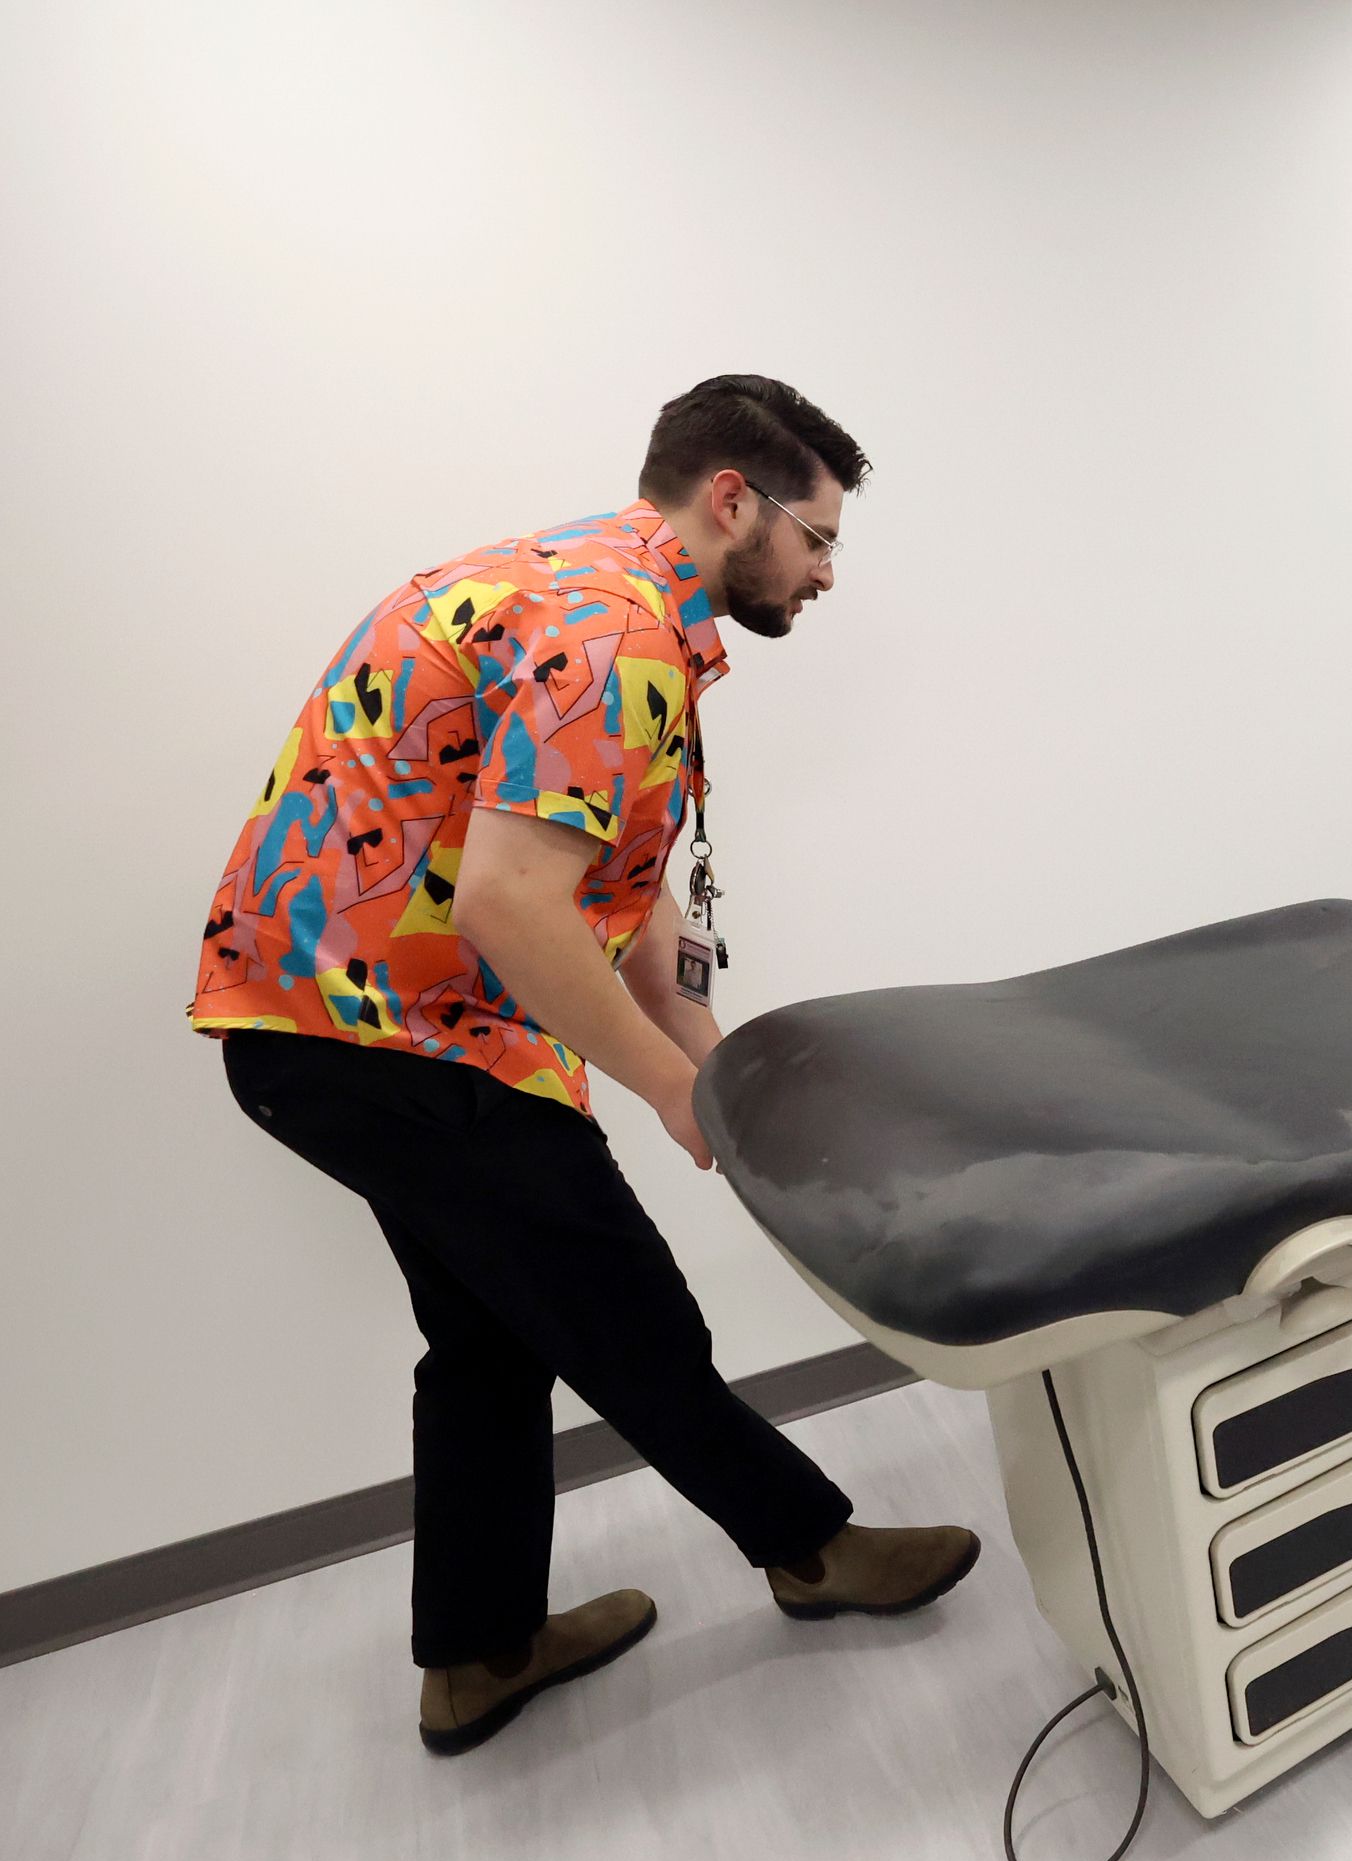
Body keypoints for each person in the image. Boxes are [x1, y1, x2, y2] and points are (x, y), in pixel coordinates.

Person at [191, 375, 981, 1756]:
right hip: (387, 1033)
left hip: (323, 1025)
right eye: (819, 535)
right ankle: (812, 1546)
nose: (829, 571)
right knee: (627, 1314)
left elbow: (612, 886)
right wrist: (675, 1093)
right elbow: (509, 905)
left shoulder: (577, 585)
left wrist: (712, 1055)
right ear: (732, 500)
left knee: (492, 1336)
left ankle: (477, 1654)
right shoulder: (612, 636)